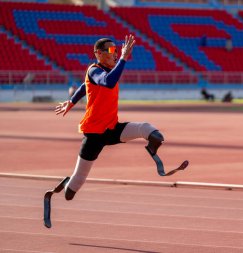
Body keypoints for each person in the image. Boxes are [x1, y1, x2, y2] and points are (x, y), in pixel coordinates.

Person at [53, 35, 167, 200]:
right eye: (112, 50)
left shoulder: (105, 71)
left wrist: (71, 101)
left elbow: (85, 85)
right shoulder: (94, 70)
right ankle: (67, 184)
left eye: (117, 50)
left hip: (112, 128)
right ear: (98, 53)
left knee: (151, 131)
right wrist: (123, 58)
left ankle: (152, 147)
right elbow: (107, 82)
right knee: (71, 191)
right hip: (94, 135)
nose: (116, 53)